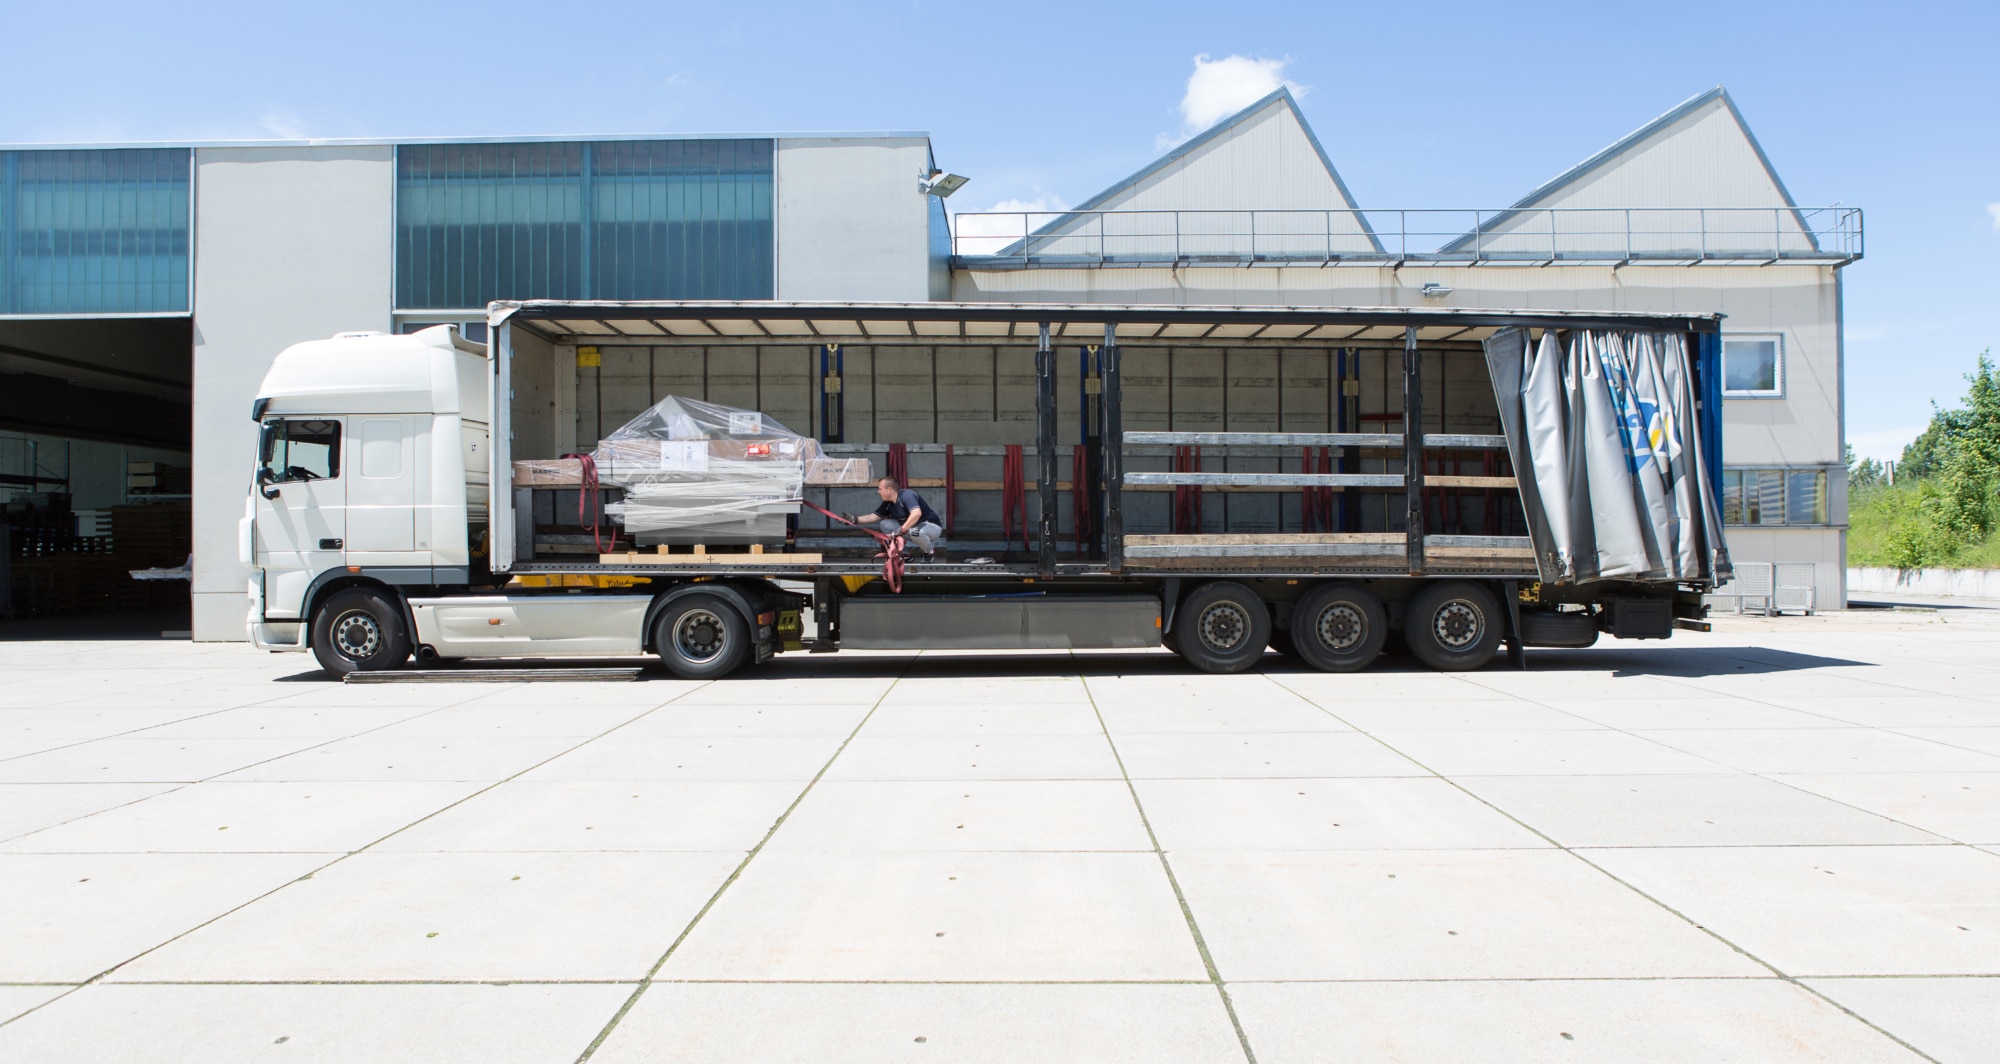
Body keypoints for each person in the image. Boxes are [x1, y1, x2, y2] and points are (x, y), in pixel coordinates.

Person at [851, 477, 945, 560]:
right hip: (911, 529)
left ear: (889, 489)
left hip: (931, 527)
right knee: (884, 524)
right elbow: (873, 516)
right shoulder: (888, 503)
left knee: (915, 532)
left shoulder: (906, 495)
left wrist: (902, 529)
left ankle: (929, 551)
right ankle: (904, 554)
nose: (878, 492)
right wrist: (854, 519)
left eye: (880, 489)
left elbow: (916, 514)